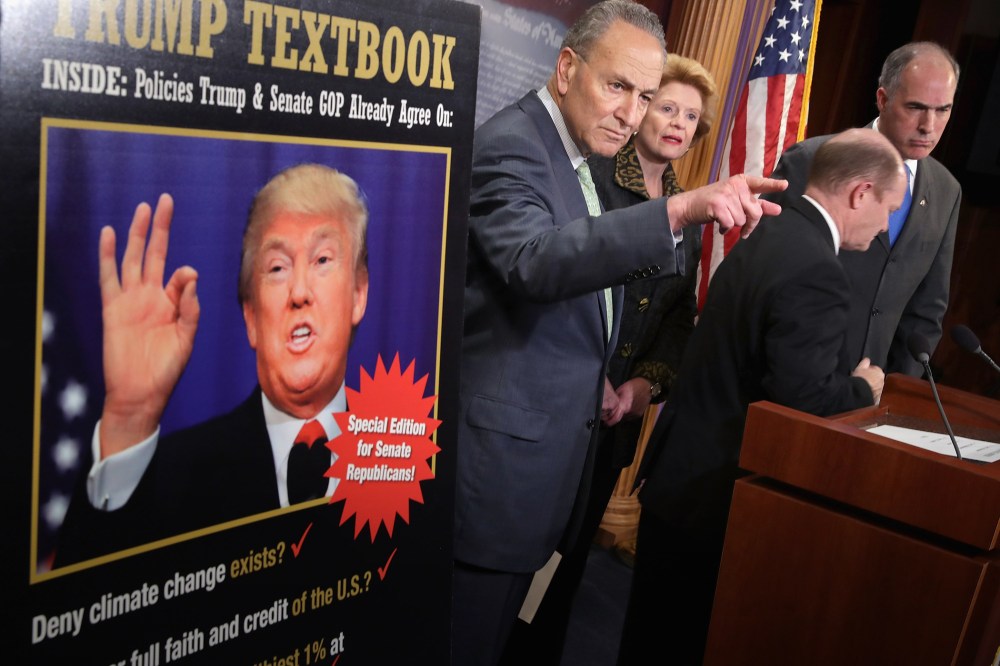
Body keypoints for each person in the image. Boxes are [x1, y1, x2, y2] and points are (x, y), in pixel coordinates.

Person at [452, 1, 787, 664]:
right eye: (617, 87)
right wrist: (683, 208)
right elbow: (536, 261)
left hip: (537, 475)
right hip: (490, 486)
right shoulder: (515, 145)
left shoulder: (571, 155)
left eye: (644, 96)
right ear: (568, 68)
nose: (631, 113)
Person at [619, 128, 904, 665]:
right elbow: (804, 400)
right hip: (720, 499)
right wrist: (862, 389)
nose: (886, 226)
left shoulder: (770, 233)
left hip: (683, 480)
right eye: (888, 209)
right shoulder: (819, 269)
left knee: (647, 642)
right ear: (861, 193)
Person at [498, 53, 718, 665]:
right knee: (516, 571)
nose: (676, 123)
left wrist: (643, 386)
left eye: (690, 117)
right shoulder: (588, 177)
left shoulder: (688, 210)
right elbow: (554, 281)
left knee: (564, 578)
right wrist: (593, 378)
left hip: (617, 421)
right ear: (639, 108)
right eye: (665, 105)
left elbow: (677, 319)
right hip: (561, 404)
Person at [55, 164, 369, 565]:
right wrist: (127, 419)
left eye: (323, 259)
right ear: (251, 317)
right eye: (277, 268)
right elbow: (80, 607)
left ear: (358, 293)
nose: (300, 292)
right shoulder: (178, 477)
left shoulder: (404, 456)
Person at [767, 42, 961, 377]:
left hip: (870, 394)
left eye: (942, 110)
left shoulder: (946, 190)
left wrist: (897, 395)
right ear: (883, 99)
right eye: (916, 107)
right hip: (789, 377)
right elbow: (769, 276)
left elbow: (926, 312)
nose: (929, 125)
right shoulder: (810, 161)